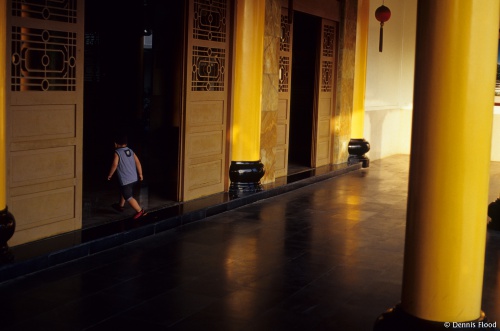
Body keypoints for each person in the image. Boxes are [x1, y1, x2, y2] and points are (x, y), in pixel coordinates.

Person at [107, 135, 147, 219]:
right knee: (124, 191)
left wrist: (110, 174)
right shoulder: (131, 151)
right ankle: (120, 205)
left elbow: (114, 164)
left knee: (128, 196)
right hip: (133, 178)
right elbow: (138, 163)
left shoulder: (117, 152)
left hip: (126, 180)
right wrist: (140, 174)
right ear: (126, 143)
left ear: (115, 144)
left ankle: (140, 211)